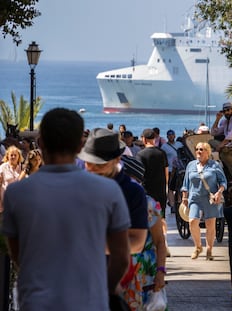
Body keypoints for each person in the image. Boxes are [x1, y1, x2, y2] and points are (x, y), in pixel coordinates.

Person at [1, 108, 131, 310]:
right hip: (91, 302)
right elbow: (122, 257)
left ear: (40, 142)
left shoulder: (17, 194)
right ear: (81, 145)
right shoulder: (108, 191)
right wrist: (104, 288)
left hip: (37, 301)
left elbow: (19, 255)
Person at [77, 128, 163, 311]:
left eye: (100, 164)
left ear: (117, 160)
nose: (92, 169)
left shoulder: (132, 191)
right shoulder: (78, 183)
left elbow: (137, 241)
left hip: (121, 281)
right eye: (89, 163)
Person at [181, 142, 227, 260]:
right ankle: (198, 246)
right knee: (192, 221)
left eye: (201, 149)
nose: (198, 152)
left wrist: (219, 192)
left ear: (207, 152)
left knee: (210, 224)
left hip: (210, 198)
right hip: (195, 197)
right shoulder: (191, 165)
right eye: (197, 149)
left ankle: (209, 249)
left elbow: (223, 182)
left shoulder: (214, 165)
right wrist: (184, 196)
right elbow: (186, 183)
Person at [137, 128, 170, 255]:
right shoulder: (161, 153)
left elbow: (139, 174)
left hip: (146, 191)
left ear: (144, 139)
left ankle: (150, 243)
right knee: (161, 218)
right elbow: (166, 172)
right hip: (160, 190)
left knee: (148, 217)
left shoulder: (141, 154)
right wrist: (165, 186)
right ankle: (164, 243)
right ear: (154, 139)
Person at [161, 129, 184, 212]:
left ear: (174, 136)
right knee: (171, 187)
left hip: (180, 168)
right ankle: (172, 205)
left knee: (180, 187)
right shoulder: (164, 146)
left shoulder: (179, 144)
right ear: (167, 136)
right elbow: (162, 158)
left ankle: (179, 203)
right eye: (169, 135)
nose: (171, 136)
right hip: (170, 169)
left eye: (172, 135)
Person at [0, 145, 24, 212]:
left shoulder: (23, 168)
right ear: (7, 156)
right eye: (11, 155)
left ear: (19, 156)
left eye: (15, 155)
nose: (13, 157)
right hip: (5, 202)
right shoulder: (2, 167)